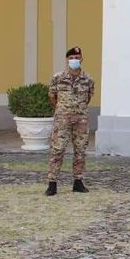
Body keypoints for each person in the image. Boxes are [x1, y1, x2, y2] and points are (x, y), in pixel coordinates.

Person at [45, 46, 95, 196]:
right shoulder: (58, 77)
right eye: (71, 58)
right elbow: (52, 96)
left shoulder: (88, 79)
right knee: (58, 149)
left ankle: (78, 181)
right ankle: (52, 183)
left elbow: (88, 97)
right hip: (63, 118)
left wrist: (78, 110)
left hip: (81, 119)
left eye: (77, 58)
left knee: (80, 150)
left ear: (81, 59)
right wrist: (61, 109)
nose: (74, 60)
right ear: (67, 60)